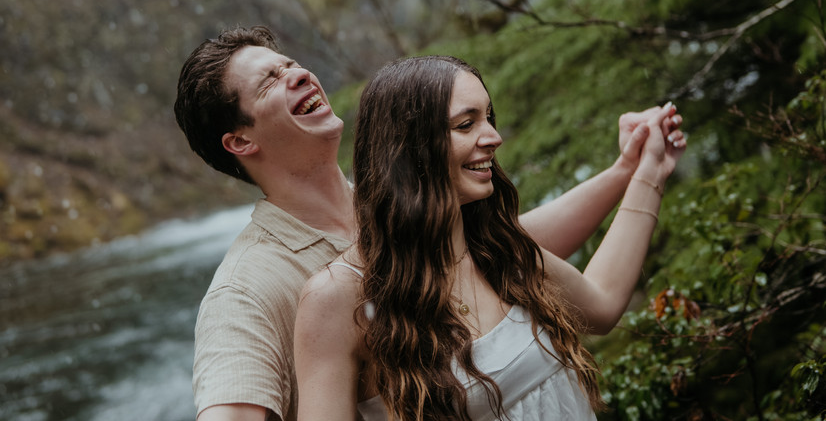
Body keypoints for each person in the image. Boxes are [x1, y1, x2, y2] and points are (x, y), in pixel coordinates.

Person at [174, 26, 684, 421]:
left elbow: (523, 259)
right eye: (270, 80)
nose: (301, 75)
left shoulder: (426, 220)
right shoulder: (247, 290)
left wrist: (632, 173)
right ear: (240, 141)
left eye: (291, 64)